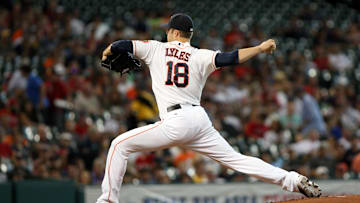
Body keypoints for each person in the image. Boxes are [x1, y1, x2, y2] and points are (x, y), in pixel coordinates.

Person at [97, 13, 321, 203]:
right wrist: (260, 48)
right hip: (198, 119)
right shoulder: (200, 54)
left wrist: (108, 51)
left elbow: (121, 45)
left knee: (119, 145)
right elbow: (230, 58)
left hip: (175, 121)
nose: (167, 34)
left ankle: (107, 201)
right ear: (189, 35)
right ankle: (292, 180)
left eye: (169, 31)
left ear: (174, 32)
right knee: (236, 159)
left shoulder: (155, 49)